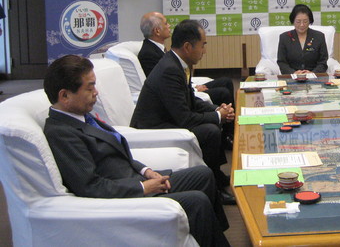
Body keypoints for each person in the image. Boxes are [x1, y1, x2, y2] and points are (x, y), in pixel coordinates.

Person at [43, 55, 230, 246]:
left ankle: (214, 235)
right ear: (65, 96)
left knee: (204, 175)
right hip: (126, 197)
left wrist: (145, 171)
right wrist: (143, 187)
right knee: (197, 201)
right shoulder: (61, 133)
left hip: (137, 178)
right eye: (89, 88)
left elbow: (117, 151)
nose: (96, 92)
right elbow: (91, 187)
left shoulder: (82, 117)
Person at [131, 19, 236, 205]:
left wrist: (216, 109)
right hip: (154, 129)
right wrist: (218, 116)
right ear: (187, 47)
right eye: (203, 45)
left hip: (169, 119)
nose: (204, 51)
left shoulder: (176, 63)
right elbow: (185, 118)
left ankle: (216, 176)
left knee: (212, 124)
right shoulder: (170, 69)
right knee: (210, 131)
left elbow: (191, 100)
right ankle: (215, 188)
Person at [138, 11, 235, 108]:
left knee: (226, 81)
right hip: (175, 95)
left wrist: (193, 86)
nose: (169, 26)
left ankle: (232, 115)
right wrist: (194, 89)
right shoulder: (148, 54)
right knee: (223, 93)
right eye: (166, 23)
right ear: (157, 31)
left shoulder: (158, 48)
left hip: (185, 87)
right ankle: (229, 114)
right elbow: (166, 85)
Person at [277, 4, 328, 74]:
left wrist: (312, 73)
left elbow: (323, 62)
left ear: (310, 21)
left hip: (314, 77)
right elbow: (282, 62)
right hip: (292, 76)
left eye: (305, 21)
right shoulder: (284, 37)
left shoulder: (319, 36)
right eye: (298, 21)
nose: (302, 25)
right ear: (293, 21)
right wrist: (293, 73)